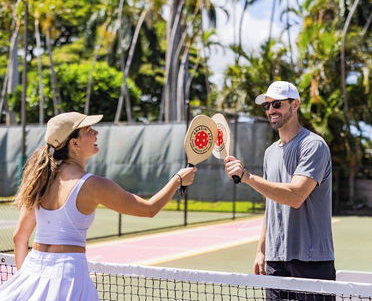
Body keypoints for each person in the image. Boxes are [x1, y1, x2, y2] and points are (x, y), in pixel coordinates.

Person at [0, 112, 197, 300]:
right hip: (69, 276)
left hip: (32, 269)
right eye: (89, 130)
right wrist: (178, 180)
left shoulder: (39, 180)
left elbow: (19, 238)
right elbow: (149, 209)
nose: (96, 133)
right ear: (74, 143)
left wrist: (25, 280)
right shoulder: (93, 185)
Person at [224, 81, 335, 299]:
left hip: (311, 261)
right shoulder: (270, 152)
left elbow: (295, 196)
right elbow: (271, 204)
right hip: (276, 261)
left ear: (295, 105)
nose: (271, 111)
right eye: (267, 106)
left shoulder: (313, 145)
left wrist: (247, 177)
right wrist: (262, 250)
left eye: (276, 104)